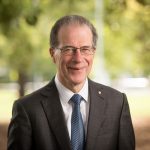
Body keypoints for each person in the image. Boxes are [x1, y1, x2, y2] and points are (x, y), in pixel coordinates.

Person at [7, 15, 135, 150]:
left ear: (93, 52)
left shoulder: (117, 104)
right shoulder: (27, 109)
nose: (78, 58)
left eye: (85, 49)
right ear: (52, 54)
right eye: (68, 49)